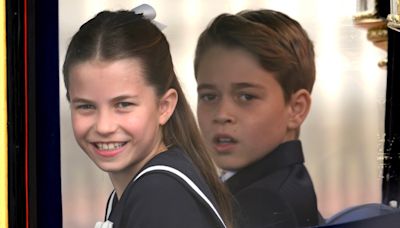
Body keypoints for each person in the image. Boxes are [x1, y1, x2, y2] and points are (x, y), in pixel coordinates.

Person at [62, 7, 233, 228]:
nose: (104, 126)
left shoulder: (158, 195)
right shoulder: (143, 189)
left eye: (123, 104)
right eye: (86, 106)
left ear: (164, 107)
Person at [194, 9, 321, 227]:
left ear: (296, 108)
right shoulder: (279, 184)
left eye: (246, 96)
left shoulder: (263, 203)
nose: (222, 115)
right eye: (209, 96)